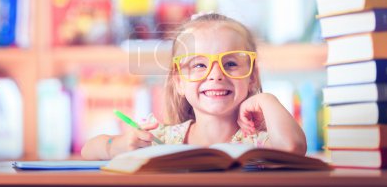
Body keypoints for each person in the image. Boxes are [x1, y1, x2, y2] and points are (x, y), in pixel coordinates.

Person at [81, 13, 307, 160]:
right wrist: (117, 146)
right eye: (199, 64)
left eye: (230, 63)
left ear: (252, 77)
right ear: (179, 81)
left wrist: (267, 99)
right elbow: (89, 149)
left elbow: (292, 147)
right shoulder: (162, 139)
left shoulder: (258, 142)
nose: (216, 75)